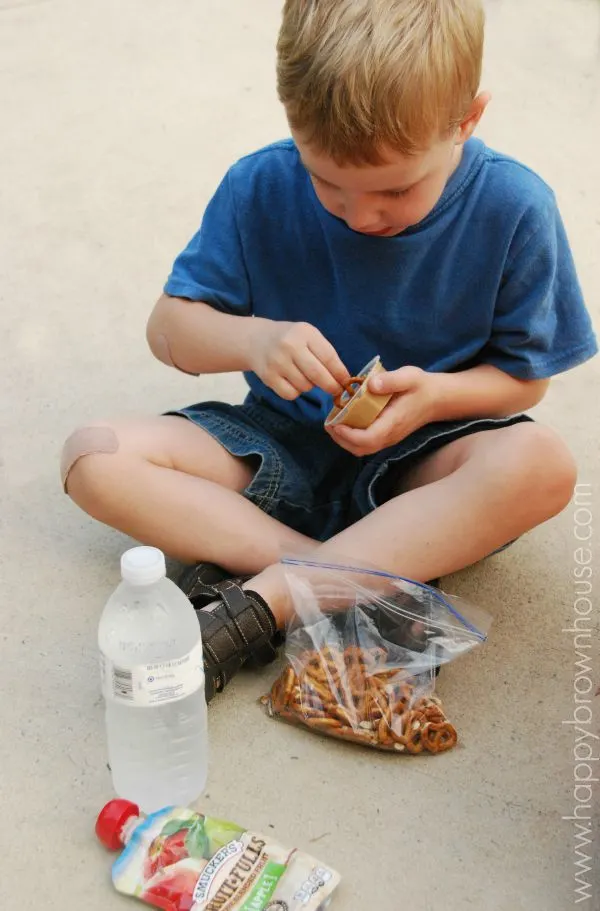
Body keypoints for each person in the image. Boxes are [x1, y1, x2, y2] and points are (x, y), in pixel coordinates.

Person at [61, 0, 597, 700]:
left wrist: (438, 395)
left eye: (396, 189)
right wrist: (253, 338)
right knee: (92, 454)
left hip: (422, 468)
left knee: (543, 465)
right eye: (328, 184)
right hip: (279, 443)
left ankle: (270, 596)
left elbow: (523, 382)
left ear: (468, 119)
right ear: (293, 121)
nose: (361, 214)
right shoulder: (261, 184)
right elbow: (169, 329)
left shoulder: (515, 207)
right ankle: (351, 576)